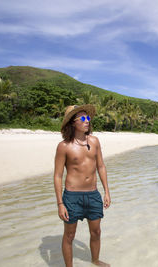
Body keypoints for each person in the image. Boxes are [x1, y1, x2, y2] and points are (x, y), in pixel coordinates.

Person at [53, 104, 111, 267]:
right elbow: (58, 176)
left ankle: (95, 260)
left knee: (96, 232)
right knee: (69, 236)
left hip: (93, 195)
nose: (87, 121)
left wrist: (106, 191)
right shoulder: (64, 146)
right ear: (73, 123)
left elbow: (101, 166)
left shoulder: (94, 141)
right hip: (72, 197)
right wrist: (60, 203)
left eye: (88, 118)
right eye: (83, 118)